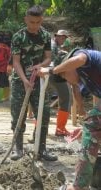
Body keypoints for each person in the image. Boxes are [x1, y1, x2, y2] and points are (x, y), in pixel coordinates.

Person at [39, 48, 101, 190]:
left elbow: (79, 60)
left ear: (68, 65)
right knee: (93, 127)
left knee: (92, 126)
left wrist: (51, 70)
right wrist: (87, 124)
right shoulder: (87, 78)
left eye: (64, 75)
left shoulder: (82, 56)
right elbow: (95, 104)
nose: (67, 79)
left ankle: (78, 186)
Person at [10, 5, 57, 161]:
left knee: (43, 114)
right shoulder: (18, 37)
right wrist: (24, 80)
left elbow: (48, 58)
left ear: (41, 20)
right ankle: (18, 149)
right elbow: (16, 62)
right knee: (18, 114)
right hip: (19, 81)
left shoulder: (45, 36)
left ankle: (41, 148)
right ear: (26, 19)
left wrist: (41, 65)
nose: (34, 26)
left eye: (37, 22)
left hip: (40, 81)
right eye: (31, 22)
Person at [50, 30, 72, 136]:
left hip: (45, 75)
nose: (63, 39)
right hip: (54, 74)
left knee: (41, 102)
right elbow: (55, 61)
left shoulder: (53, 45)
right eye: (61, 37)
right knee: (66, 98)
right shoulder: (53, 45)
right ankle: (60, 128)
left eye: (64, 38)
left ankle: (39, 130)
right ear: (56, 36)